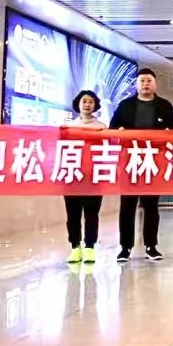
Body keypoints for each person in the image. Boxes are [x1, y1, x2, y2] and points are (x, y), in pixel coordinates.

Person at [109, 68, 173, 262]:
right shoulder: (125, 105)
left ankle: (151, 246)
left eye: (149, 81)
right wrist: (119, 131)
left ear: (155, 84)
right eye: (142, 81)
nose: (145, 84)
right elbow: (112, 128)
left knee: (151, 206)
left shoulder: (164, 105)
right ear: (136, 84)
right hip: (130, 162)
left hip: (153, 162)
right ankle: (125, 247)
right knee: (127, 206)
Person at [63, 90, 106, 264]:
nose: (87, 104)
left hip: (94, 177)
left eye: (90, 102)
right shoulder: (68, 126)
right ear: (78, 104)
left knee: (91, 214)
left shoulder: (101, 126)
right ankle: (75, 247)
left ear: (95, 105)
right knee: (72, 214)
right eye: (84, 101)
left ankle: (89, 247)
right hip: (72, 176)